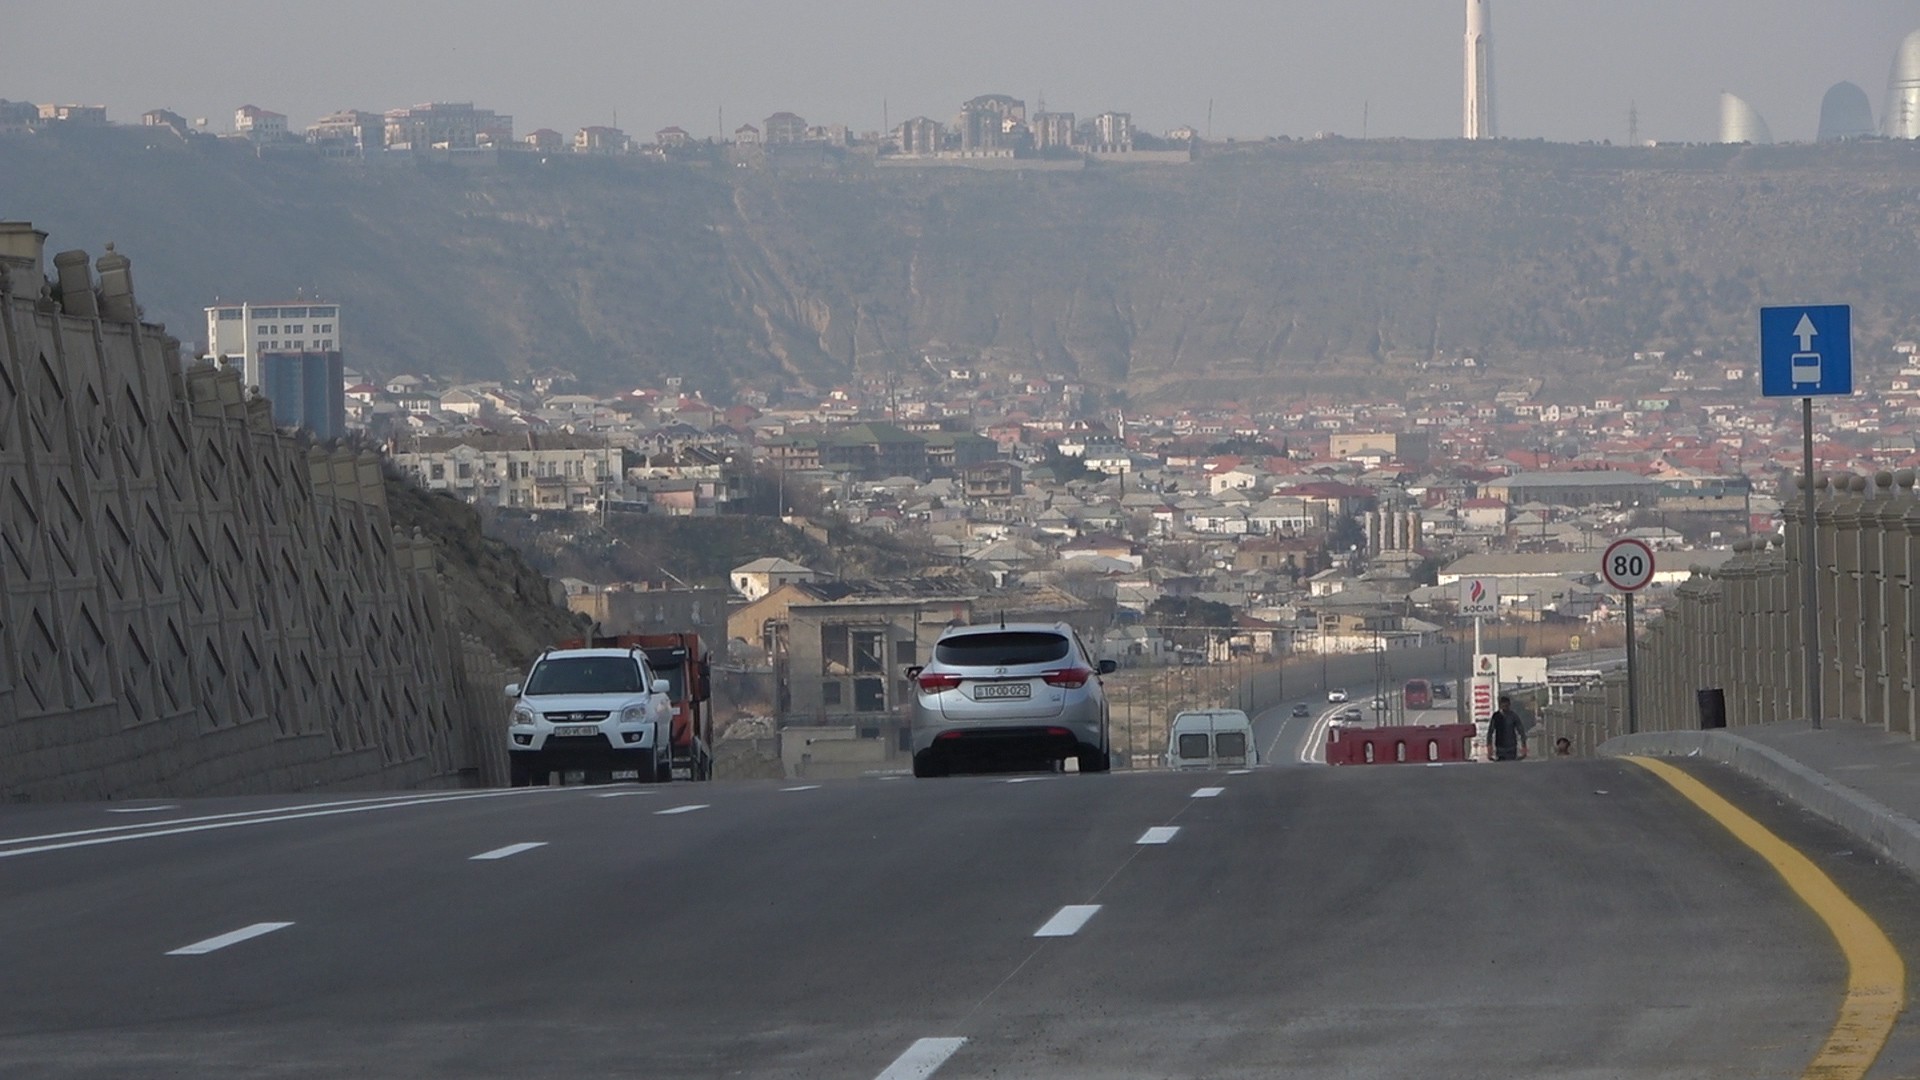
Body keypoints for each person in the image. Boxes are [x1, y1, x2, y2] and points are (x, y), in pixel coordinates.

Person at [1488, 694, 1525, 761]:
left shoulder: (1513, 716)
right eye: (1503, 706)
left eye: (1507, 706)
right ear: (1500, 705)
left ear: (1509, 705)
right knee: (1502, 766)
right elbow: (1490, 732)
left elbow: (1521, 731)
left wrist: (1524, 746)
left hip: (1511, 747)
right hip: (1500, 747)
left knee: (1512, 765)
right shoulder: (1496, 716)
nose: (1505, 708)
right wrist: (1489, 748)